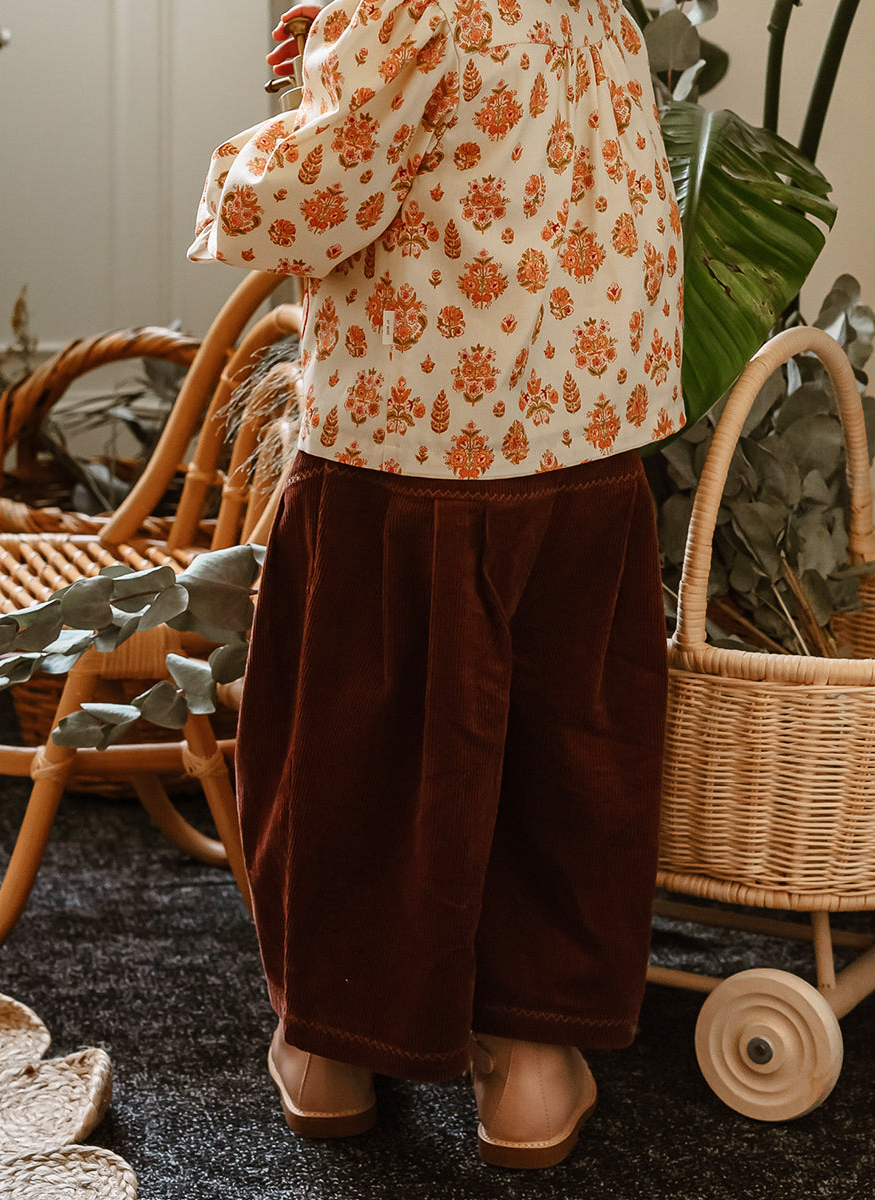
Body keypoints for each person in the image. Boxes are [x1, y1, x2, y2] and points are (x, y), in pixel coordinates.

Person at [189, 0, 683, 1169]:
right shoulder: (596, 13)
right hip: (589, 444)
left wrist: (237, 174)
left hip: (404, 448)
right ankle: (533, 1062)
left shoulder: (399, 8)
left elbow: (322, 199)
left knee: (354, 750)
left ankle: (333, 1045)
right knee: (570, 753)